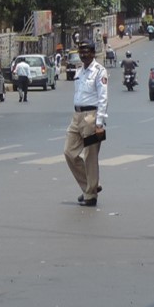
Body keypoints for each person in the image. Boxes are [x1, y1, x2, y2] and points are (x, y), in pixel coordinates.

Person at [63, 42, 107, 207]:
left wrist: (100, 122)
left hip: (91, 117)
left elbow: (103, 97)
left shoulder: (99, 72)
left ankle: (90, 195)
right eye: (81, 52)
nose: (83, 55)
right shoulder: (79, 71)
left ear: (93, 53)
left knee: (90, 156)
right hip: (77, 117)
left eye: (86, 52)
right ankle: (91, 185)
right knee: (69, 152)